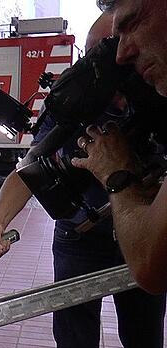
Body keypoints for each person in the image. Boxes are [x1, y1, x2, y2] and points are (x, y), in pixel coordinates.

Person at [0, 12, 165, 348]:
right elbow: (30, 168)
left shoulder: (157, 95)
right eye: (99, 52)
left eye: (120, 53)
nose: (114, 58)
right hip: (80, 241)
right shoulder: (78, 94)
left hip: (143, 235)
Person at [70, 0, 167, 295]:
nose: (123, 55)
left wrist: (117, 175)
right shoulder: (81, 106)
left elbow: (153, 267)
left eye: (133, 23)